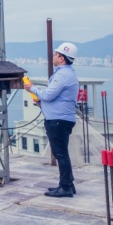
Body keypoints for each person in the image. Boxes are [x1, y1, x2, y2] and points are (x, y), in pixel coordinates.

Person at [23, 42, 80, 198]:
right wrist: (42, 104)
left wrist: (32, 88)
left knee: (60, 154)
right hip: (60, 119)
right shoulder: (66, 73)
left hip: (58, 121)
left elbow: (49, 95)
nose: (53, 56)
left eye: (56, 54)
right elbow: (56, 99)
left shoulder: (62, 75)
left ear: (61, 58)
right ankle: (68, 184)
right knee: (62, 153)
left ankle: (65, 187)